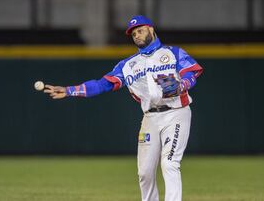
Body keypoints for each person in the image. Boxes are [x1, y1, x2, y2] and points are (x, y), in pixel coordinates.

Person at [43, 15, 203, 201]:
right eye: (133, 33)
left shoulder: (172, 53)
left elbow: (192, 72)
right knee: (145, 173)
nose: (136, 35)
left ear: (151, 29)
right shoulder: (128, 65)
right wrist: (70, 90)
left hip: (176, 112)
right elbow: (102, 84)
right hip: (150, 117)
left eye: (140, 30)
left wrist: (183, 84)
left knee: (169, 163)